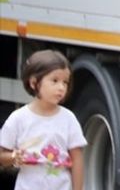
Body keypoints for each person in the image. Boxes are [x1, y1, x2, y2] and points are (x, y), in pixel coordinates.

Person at [0, 49, 86, 190]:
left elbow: (77, 159)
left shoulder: (69, 119)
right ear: (34, 83)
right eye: (55, 81)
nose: (61, 87)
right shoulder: (18, 118)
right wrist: (13, 157)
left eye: (65, 82)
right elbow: (2, 155)